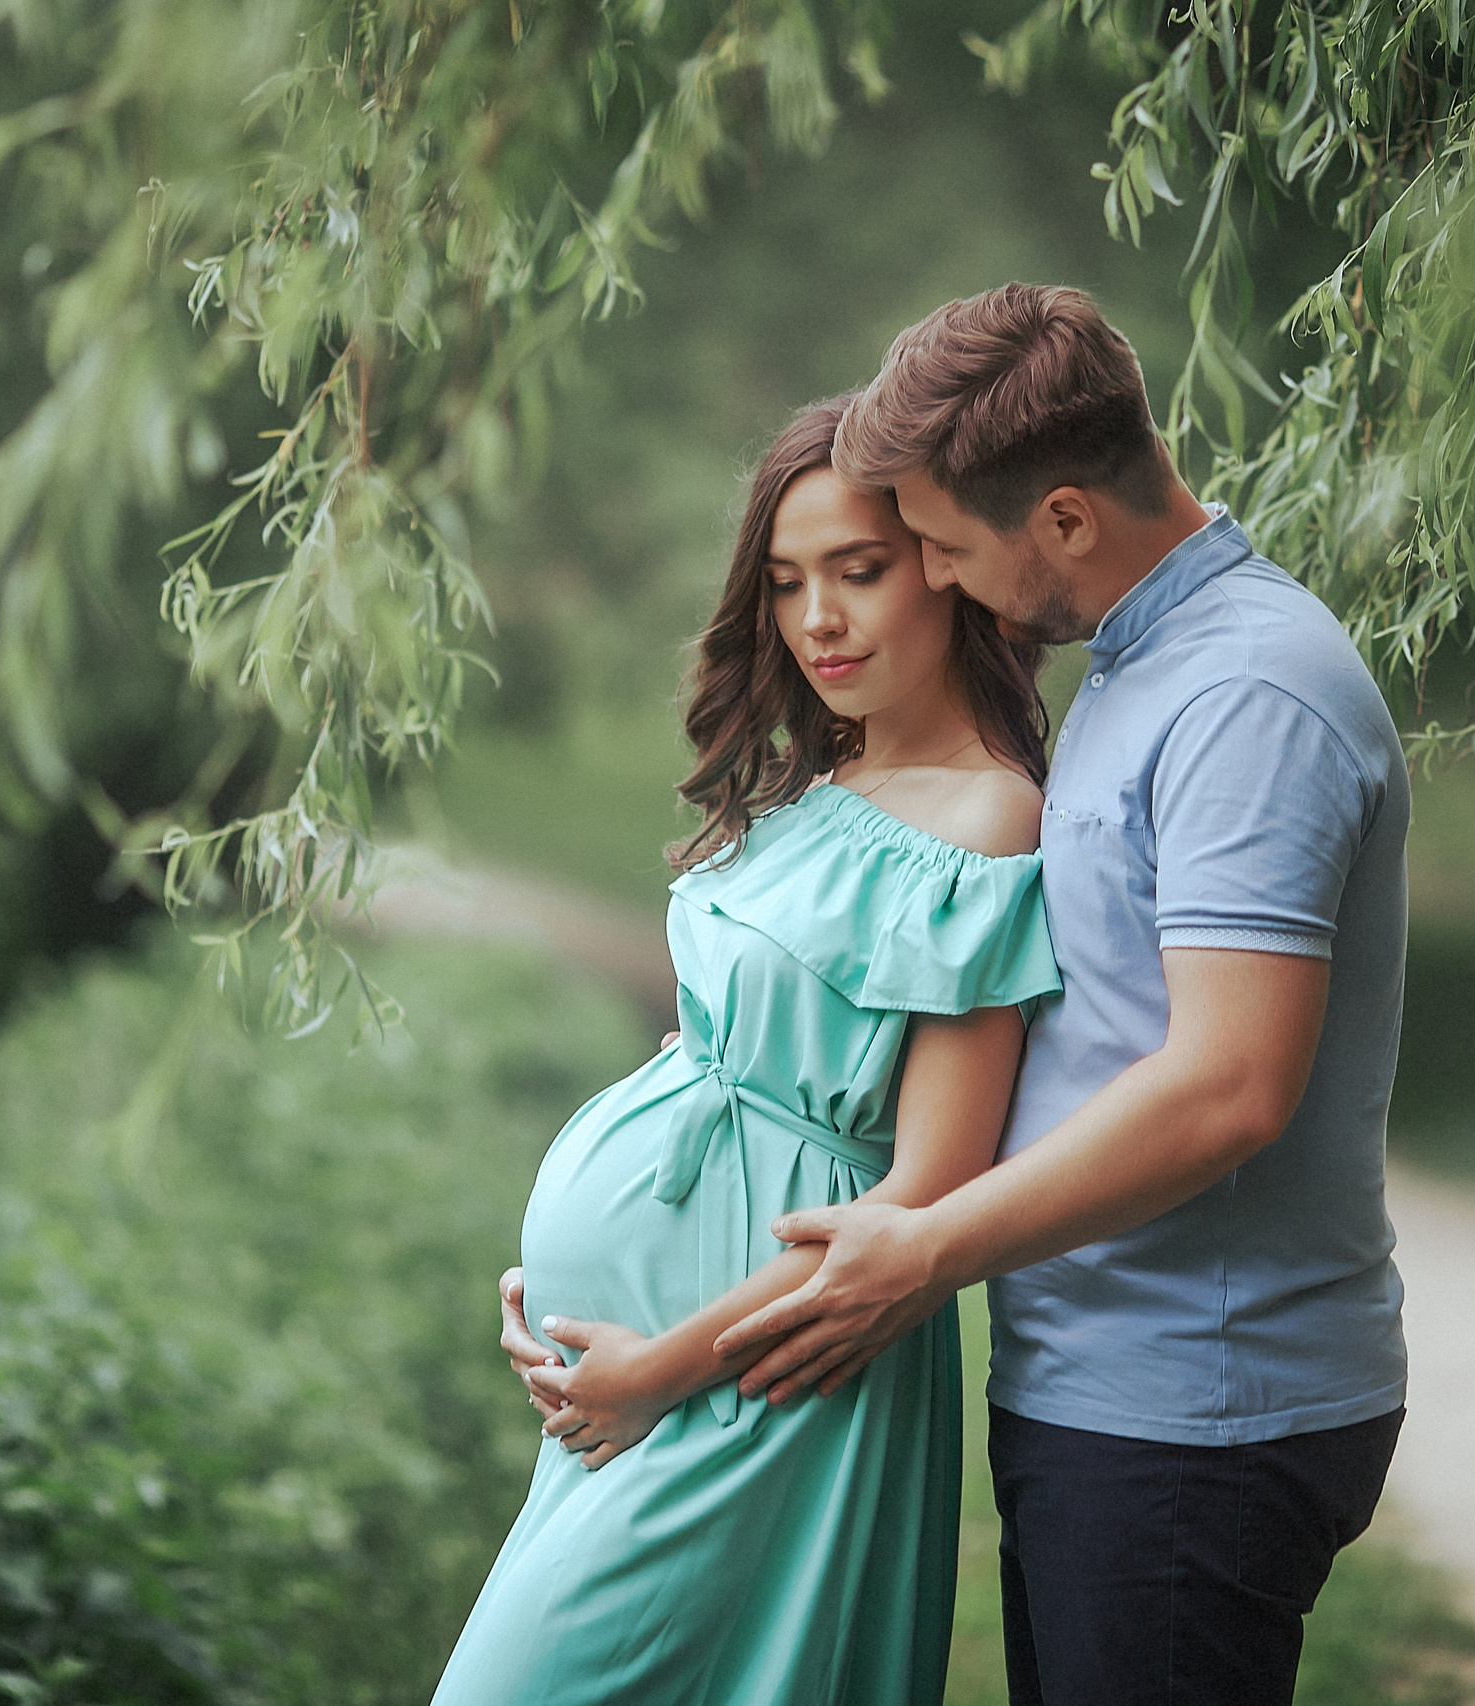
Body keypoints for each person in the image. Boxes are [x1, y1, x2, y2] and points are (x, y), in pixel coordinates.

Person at [509, 284, 1412, 1706]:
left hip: (1195, 1404)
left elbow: (1232, 1085)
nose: (932, 576)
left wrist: (923, 1247)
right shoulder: (1140, 669)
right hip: (1105, 1388)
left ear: (1058, 518)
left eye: (932, 544)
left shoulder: (1250, 691)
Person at [432, 394, 1060, 1706]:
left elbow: (921, 1194)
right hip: (646, 1379)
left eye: (856, 570)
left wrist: (661, 1364)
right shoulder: (819, 787)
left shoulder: (987, 820)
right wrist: (578, 1309)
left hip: (765, 1385)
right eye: (786, 582)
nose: (817, 617)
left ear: (944, 565)